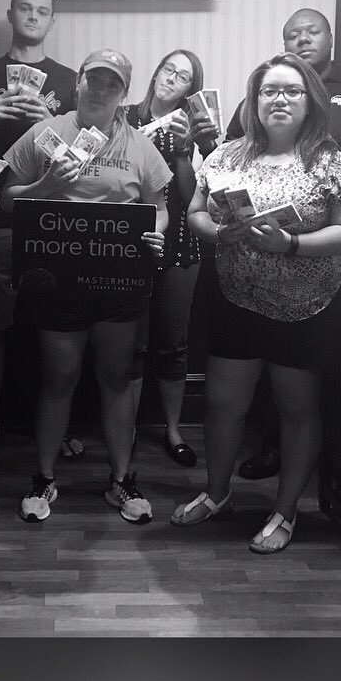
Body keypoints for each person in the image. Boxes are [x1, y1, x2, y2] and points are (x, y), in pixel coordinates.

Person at [171, 53, 341, 553]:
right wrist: (221, 233)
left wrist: (292, 244)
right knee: (222, 404)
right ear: (253, 101)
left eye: (291, 91)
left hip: (308, 306)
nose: (279, 99)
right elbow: (195, 213)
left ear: (310, 101)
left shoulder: (331, 160)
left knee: (296, 410)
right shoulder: (226, 155)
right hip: (236, 299)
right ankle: (217, 494)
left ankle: (285, 511)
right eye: (269, 91)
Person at [0, 49, 170, 523]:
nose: (101, 90)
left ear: (124, 94)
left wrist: (155, 232)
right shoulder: (46, 133)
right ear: (77, 83)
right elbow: (7, 199)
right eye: (94, 80)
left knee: (116, 378)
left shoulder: (139, 145)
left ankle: (121, 480)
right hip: (58, 280)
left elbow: (159, 206)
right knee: (59, 377)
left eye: (112, 84)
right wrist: (46, 185)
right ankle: (44, 477)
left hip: (119, 280)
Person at [228, 9, 341, 501]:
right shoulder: (262, 95)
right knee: (279, 360)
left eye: (311, 31)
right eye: (292, 34)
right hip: (274, 260)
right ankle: (275, 446)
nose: (302, 39)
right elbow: (234, 158)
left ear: (331, 37)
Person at [0, 0, 84, 462]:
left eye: (42, 11)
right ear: (10, 14)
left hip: (53, 216)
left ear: (52, 20)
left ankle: (58, 422)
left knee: (55, 322)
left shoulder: (70, 81)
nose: (33, 16)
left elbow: (82, 155)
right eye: (25, 8)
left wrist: (48, 120)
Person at [124, 49, 209, 467]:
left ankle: (173, 429)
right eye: (168, 69)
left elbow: (192, 198)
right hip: (133, 242)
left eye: (183, 77)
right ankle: (126, 429)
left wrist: (184, 150)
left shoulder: (189, 131)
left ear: (190, 91)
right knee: (132, 344)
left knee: (173, 344)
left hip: (180, 243)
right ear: (155, 73)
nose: (172, 78)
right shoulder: (123, 116)